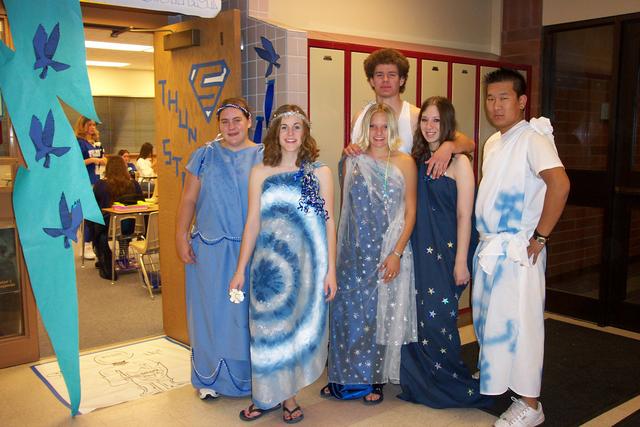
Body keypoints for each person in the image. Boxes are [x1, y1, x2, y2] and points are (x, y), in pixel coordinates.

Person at [473, 68, 569, 427]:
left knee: (522, 327)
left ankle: (531, 404)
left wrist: (540, 236)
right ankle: (507, 387)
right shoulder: (494, 142)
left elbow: (559, 185)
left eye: (504, 98)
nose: (496, 105)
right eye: (490, 98)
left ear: (521, 101)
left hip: (519, 251)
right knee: (495, 325)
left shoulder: (532, 139)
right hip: (493, 250)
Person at [229, 104, 337, 424]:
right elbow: (251, 223)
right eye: (284, 127)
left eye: (297, 127)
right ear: (275, 133)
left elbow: (329, 222)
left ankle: (287, 397)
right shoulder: (259, 172)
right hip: (267, 270)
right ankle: (265, 396)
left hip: (307, 268)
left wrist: (331, 269)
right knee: (264, 333)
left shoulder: (321, 173)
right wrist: (240, 269)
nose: (290, 134)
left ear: (305, 132)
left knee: (291, 334)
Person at [398, 96, 491, 409]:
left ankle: (452, 383)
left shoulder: (459, 162)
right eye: (425, 119)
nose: (429, 126)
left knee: (440, 321)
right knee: (418, 318)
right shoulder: (416, 158)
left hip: (449, 252)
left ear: (447, 123)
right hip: (419, 250)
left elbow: (466, 215)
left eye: (437, 120)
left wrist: (462, 261)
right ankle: (422, 382)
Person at [324, 103, 417, 405]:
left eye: (384, 127)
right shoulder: (352, 160)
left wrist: (397, 253)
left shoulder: (405, 162)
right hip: (353, 252)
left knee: (379, 315)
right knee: (347, 315)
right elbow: (345, 207)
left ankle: (373, 379)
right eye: (373, 127)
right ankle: (341, 377)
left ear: (393, 130)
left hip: (386, 250)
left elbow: (411, 212)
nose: (378, 133)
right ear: (365, 129)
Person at [175, 98, 261, 400]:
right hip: (209, 250)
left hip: (250, 251)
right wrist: (180, 235)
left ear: (249, 121)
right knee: (210, 313)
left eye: (237, 120)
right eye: (224, 122)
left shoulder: (265, 157)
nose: (231, 127)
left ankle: (251, 379)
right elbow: (188, 199)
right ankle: (210, 378)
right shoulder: (204, 156)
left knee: (245, 317)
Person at [345, 48, 475, 178]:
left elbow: (469, 143)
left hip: (405, 195)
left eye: (391, 75)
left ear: (402, 80)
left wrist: (448, 147)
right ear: (371, 81)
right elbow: (348, 161)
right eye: (379, 75)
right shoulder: (359, 117)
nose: (385, 79)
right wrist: (348, 151)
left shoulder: (415, 116)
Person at [91, 155, 144, 280]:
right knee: (123, 221)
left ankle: (104, 259)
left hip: (110, 228)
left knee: (97, 225)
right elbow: (141, 203)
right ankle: (123, 252)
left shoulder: (100, 185)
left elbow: (93, 207)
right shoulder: (134, 184)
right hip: (132, 227)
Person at [76, 116, 106, 260]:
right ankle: (86, 245)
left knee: (96, 212)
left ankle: (93, 243)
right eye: (89, 124)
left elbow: (103, 158)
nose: (92, 127)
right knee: (88, 213)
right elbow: (76, 163)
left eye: (94, 125)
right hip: (85, 181)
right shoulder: (79, 142)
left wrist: (103, 160)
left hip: (97, 180)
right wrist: (93, 160)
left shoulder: (96, 143)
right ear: (83, 126)